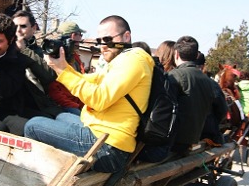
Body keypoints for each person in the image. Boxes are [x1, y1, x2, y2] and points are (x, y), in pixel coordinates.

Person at [25, 15, 154, 173]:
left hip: (108, 146)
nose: (102, 47)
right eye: (99, 41)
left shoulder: (132, 61)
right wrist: (62, 66)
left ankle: (43, 177)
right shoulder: (121, 60)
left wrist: (62, 70)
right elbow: (90, 80)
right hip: (103, 134)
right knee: (62, 116)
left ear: (126, 36)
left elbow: (98, 99)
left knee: (33, 126)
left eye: (107, 39)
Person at [169, 36, 217, 154]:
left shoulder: (173, 76)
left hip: (173, 142)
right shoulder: (209, 81)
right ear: (196, 56)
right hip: (194, 138)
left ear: (176, 54)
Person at [48, 21, 87, 115]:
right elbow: (54, 90)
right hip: (65, 105)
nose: (81, 38)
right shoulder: (55, 57)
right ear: (73, 36)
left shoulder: (75, 57)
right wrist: (74, 107)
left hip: (77, 103)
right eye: (80, 35)